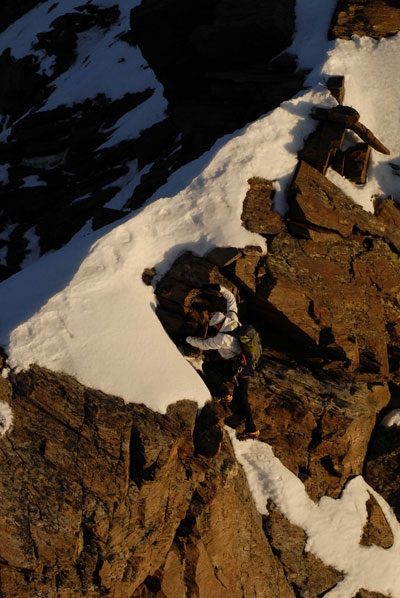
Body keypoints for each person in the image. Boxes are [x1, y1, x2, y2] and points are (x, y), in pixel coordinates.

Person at [186, 284, 260, 440]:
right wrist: (220, 289)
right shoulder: (233, 320)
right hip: (245, 363)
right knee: (241, 396)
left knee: (209, 367)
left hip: (238, 367)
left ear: (219, 324)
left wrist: (188, 339)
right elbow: (231, 300)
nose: (214, 329)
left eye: (215, 326)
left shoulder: (223, 337)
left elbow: (205, 344)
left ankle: (226, 396)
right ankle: (249, 426)